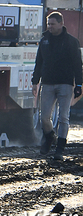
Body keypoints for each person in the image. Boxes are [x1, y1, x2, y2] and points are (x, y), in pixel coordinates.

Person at [31, 11, 83, 160]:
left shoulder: (71, 42)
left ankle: (59, 149)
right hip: (47, 83)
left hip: (66, 84)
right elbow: (39, 62)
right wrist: (35, 82)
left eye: (53, 24)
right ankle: (49, 137)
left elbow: (77, 65)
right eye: (48, 24)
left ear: (61, 24)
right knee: (44, 117)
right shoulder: (44, 41)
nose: (50, 27)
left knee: (63, 117)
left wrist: (79, 84)